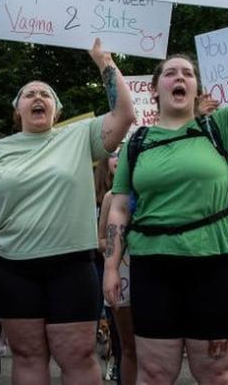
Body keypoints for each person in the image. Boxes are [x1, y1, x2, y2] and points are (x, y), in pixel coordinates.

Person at [103, 0, 228, 384]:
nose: (179, 77)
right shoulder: (137, 141)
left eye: (187, 72)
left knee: (217, 372)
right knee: (154, 371)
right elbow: (119, 206)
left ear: (196, 88)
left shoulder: (221, 126)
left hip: (217, 263)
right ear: (155, 90)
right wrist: (110, 266)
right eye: (170, 73)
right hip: (153, 266)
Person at [0, 39, 136, 385]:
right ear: (18, 110)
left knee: (78, 354)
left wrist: (103, 60)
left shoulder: (79, 136)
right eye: (29, 94)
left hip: (71, 265)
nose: (38, 97)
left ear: (56, 110)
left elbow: (125, 114)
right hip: (10, 267)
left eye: (46, 94)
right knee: (28, 356)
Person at [97, 149, 135, 385]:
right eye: (114, 154)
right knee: (128, 347)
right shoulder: (112, 196)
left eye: (125, 153)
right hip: (123, 274)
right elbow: (100, 239)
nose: (119, 159)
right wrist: (118, 248)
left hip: (157, 270)